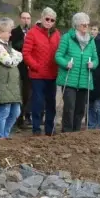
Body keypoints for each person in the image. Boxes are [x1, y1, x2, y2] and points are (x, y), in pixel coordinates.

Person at [55, 12, 99, 133]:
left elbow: (96, 59)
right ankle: (67, 132)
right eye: (83, 25)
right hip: (69, 80)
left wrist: (93, 64)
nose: (86, 27)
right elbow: (58, 56)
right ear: (76, 25)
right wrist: (66, 63)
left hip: (84, 80)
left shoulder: (91, 41)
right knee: (69, 108)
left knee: (80, 109)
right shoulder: (67, 38)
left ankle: (77, 133)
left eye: (87, 25)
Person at [23, 7, 61, 135]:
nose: (49, 22)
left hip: (52, 74)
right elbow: (26, 53)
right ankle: (36, 128)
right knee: (38, 102)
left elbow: (59, 51)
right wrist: (36, 66)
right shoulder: (32, 33)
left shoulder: (56, 34)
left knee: (51, 102)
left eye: (52, 20)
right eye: (47, 19)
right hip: (38, 75)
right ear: (42, 18)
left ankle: (50, 129)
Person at [0, 17, 24, 138]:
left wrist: (16, 57)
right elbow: (9, 62)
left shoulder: (6, 46)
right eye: (8, 32)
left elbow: (20, 55)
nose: (10, 34)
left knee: (16, 112)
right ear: (1, 32)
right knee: (3, 112)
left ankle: (5, 133)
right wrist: (15, 58)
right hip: (2, 85)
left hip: (11, 85)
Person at [10, 11, 32, 127]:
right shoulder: (14, 32)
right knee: (17, 92)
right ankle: (18, 118)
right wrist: (26, 42)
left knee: (28, 93)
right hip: (18, 66)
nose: (26, 20)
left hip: (29, 67)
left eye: (28, 18)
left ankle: (27, 115)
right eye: (24, 18)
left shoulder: (33, 32)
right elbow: (14, 46)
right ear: (20, 19)